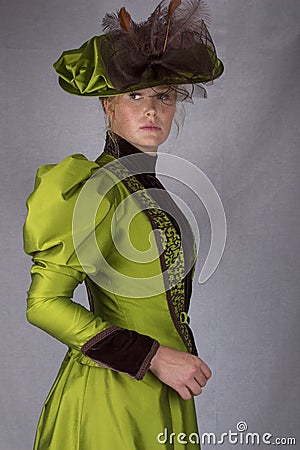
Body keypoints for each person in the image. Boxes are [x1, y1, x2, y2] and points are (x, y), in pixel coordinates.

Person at [23, 1, 223, 449]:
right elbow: (43, 303)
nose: (151, 110)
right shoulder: (90, 188)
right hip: (111, 396)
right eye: (135, 96)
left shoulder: (153, 189)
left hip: (163, 395)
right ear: (107, 104)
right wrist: (152, 357)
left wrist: (167, 364)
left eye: (163, 97)